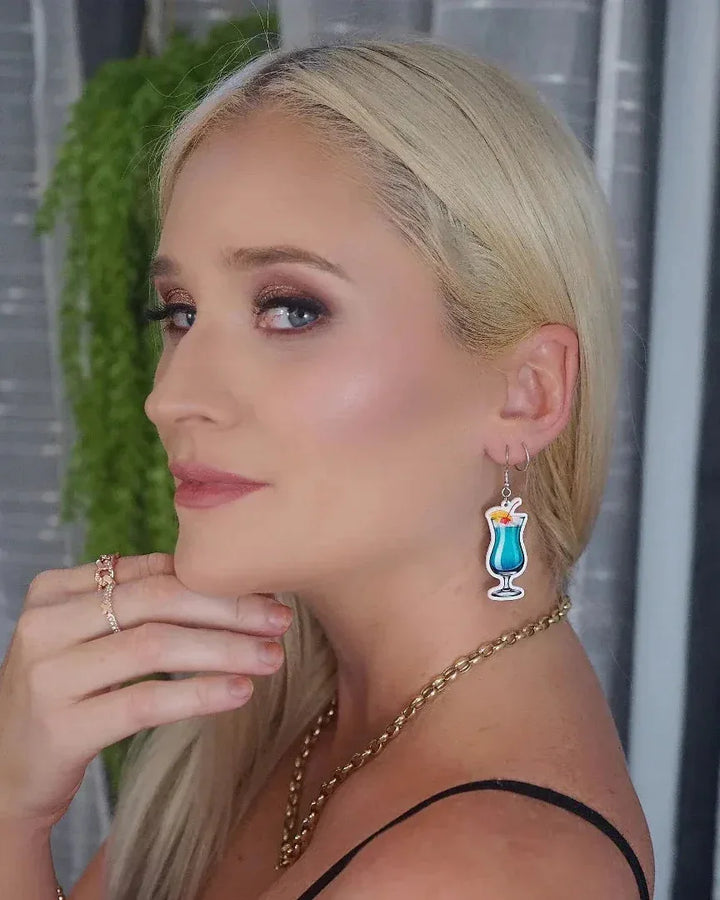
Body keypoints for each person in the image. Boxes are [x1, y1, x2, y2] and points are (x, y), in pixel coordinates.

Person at [0, 37, 655, 900]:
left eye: (290, 309)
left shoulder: (478, 873)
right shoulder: (265, 727)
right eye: (182, 312)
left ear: (526, 395)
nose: (172, 397)